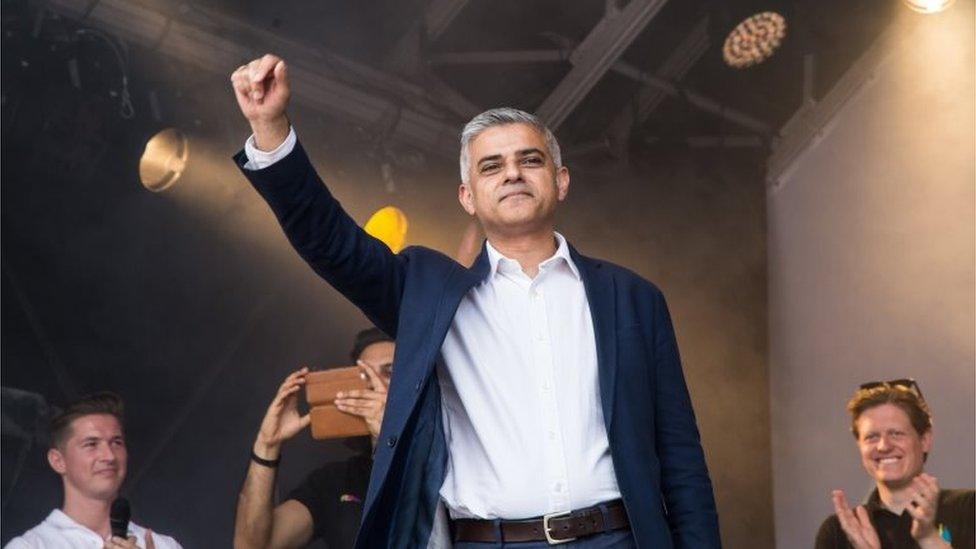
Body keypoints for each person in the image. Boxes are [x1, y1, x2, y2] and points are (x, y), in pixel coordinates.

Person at [230, 53, 720, 548]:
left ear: (561, 180)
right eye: (492, 166)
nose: (512, 173)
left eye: (530, 160)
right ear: (467, 196)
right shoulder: (429, 294)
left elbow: (680, 458)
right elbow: (332, 243)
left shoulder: (632, 298)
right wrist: (271, 130)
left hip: (618, 538)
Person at [233, 328, 394, 549]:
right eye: (363, 375)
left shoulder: (449, 456)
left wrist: (390, 438)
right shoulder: (336, 480)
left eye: (390, 371)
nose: (374, 384)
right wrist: (267, 445)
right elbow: (251, 547)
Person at [4, 392, 181, 549]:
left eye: (116, 443)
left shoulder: (163, 545)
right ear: (58, 461)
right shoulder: (31, 546)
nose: (109, 456)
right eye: (91, 444)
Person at [816, 379, 974, 549]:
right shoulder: (838, 532)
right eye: (871, 437)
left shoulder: (969, 509)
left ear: (925, 440)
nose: (883, 446)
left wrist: (929, 538)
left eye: (896, 433)